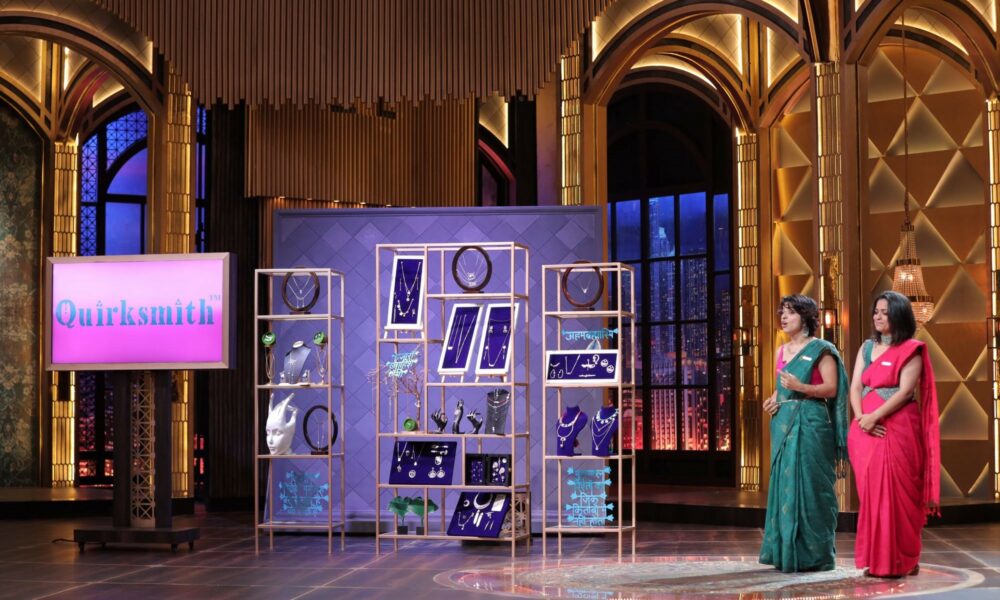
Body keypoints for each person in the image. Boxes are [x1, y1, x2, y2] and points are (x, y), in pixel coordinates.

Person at [848, 291, 940, 577]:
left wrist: (875, 416)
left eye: (885, 312)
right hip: (864, 432)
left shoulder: (912, 349)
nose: (878, 316)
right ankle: (876, 559)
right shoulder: (866, 348)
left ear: (899, 315)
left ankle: (903, 559)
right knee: (872, 496)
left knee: (899, 496)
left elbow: (904, 391)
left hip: (896, 428)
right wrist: (861, 418)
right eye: (876, 311)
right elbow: (855, 387)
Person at [760, 295, 849, 572]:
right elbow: (782, 389)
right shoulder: (781, 351)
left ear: (806, 317)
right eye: (782, 312)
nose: (784, 317)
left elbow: (831, 388)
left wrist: (801, 387)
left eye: (791, 312)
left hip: (812, 423)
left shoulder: (822, 349)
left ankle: (816, 556)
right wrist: (772, 400)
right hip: (783, 424)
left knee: (813, 487)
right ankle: (785, 553)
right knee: (784, 486)